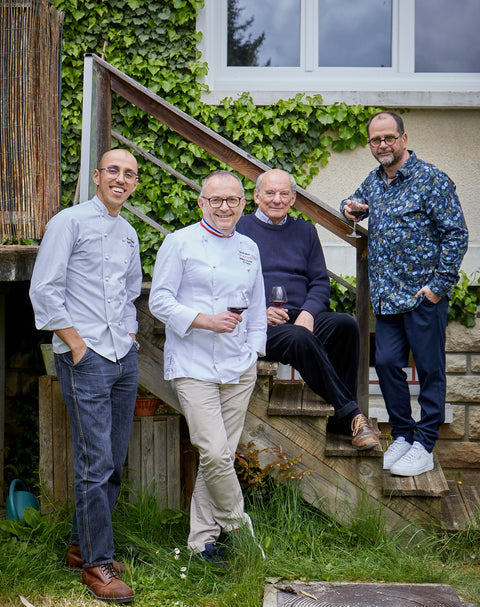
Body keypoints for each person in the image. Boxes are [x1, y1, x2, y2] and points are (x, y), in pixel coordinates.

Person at [29, 149, 142, 603]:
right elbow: (45, 287)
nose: (121, 178)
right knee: (95, 463)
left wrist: (131, 336)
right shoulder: (68, 222)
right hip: (87, 355)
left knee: (112, 461)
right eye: (113, 170)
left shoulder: (130, 232)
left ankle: (82, 546)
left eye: (130, 174)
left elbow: (131, 290)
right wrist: (77, 344)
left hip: (122, 356)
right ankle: (98, 567)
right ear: (96, 176)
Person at [148, 170, 267, 566]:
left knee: (220, 456)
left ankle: (202, 543)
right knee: (214, 452)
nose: (224, 207)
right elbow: (159, 302)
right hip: (193, 362)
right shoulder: (178, 242)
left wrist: (253, 352)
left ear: (243, 204)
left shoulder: (250, 247)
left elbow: (257, 309)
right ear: (201, 202)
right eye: (215, 200)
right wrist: (205, 319)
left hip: (238, 366)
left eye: (232, 200)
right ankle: (239, 527)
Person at [341, 111, 468, 477]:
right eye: (375, 140)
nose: (382, 145)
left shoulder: (431, 180)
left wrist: (438, 287)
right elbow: (353, 202)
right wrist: (348, 207)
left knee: (429, 371)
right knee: (385, 364)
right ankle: (403, 434)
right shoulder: (376, 180)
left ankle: (425, 444)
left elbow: (456, 234)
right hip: (386, 297)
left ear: (404, 139)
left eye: (388, 138)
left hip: (422, 296)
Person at [236, 168, 379, 450]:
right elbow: (227, 285)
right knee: (299, 338)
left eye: (284, 194)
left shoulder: (305, 231)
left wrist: (308, 313)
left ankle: (339, 419)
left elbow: (319, 282)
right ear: (256, 196)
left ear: (293, 198)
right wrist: (258, 311)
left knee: (345, 325)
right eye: (270, 193)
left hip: (299, 316)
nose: (277, 199)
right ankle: (353, 415)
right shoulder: (239, 230)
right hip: (257, 324)